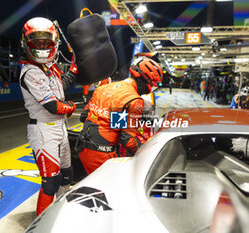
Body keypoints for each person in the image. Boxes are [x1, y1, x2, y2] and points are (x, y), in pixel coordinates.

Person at [19, 17, 78, 216]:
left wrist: (73, 71)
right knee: (50, 183)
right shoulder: (30, 72)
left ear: (54, 42)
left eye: (46, 41)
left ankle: (62, 215)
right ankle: (40, 225)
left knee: (67, 176)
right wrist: (71, 107)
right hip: (43, 131)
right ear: (26, 43)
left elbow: (60, 89)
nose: (42, 46)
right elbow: (53, 105)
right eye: (37, 41)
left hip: (59, 129)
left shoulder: (50, 68)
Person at [76, 57, 163, 175]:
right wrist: (146, 153)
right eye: (152, 85)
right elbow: (127, 139)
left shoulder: (103, 88)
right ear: (145, 79)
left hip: (83, 148)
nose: (150, 90)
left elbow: (84, 116)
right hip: (102, 154)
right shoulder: (135, 100)